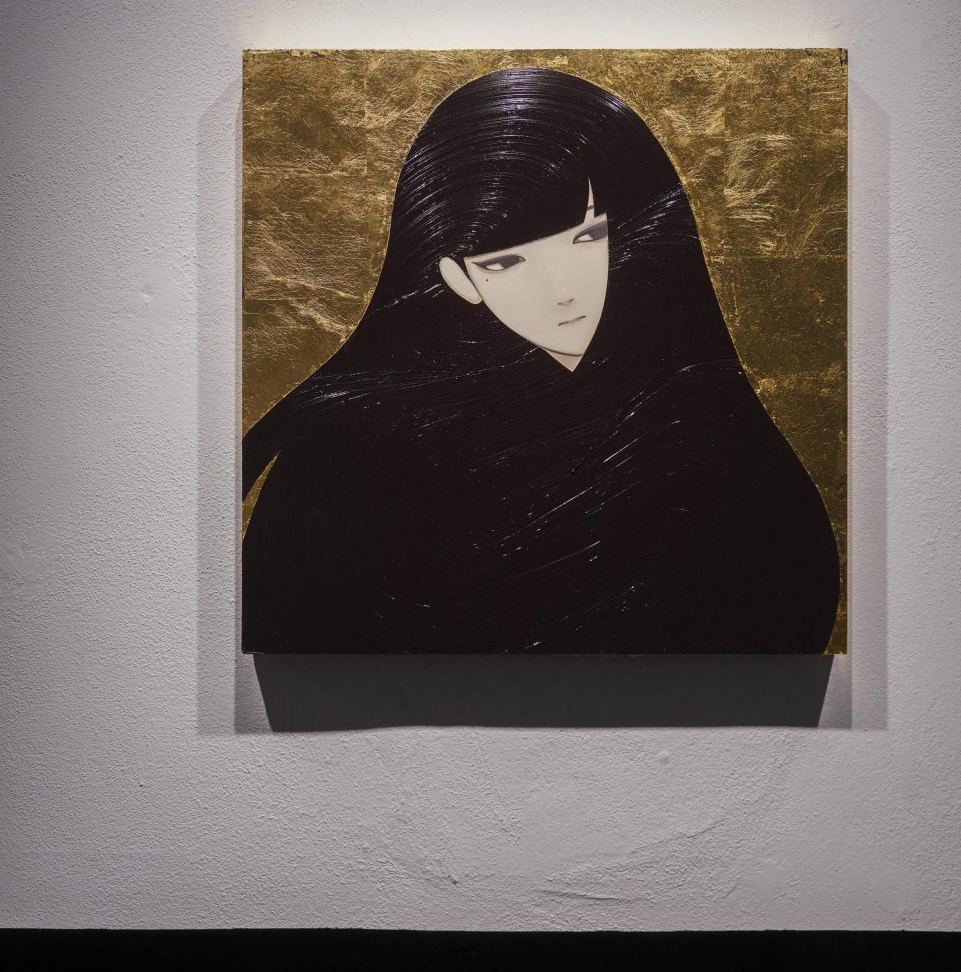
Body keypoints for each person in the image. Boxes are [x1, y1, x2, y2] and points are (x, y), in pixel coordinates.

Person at [242, 66, 840, 653]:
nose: (561, 291)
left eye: (585, 238)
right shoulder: (358, 449)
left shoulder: (704, 421)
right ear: (457, 278)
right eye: (507, 263)